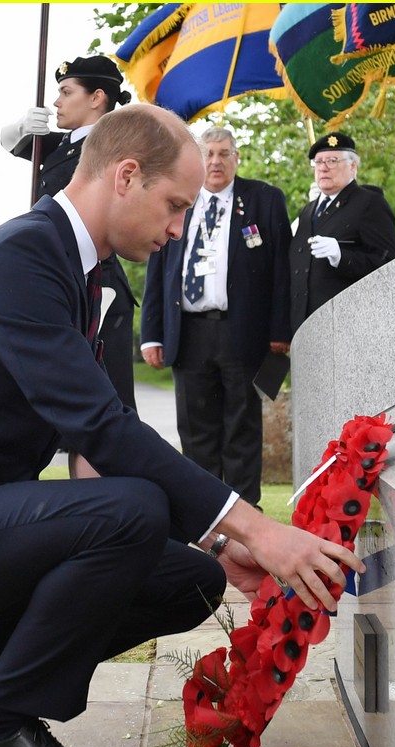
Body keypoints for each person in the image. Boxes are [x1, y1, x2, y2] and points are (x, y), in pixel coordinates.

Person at [0, 104, 365, 747]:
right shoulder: (20, 260)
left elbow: (99, 435)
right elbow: (104, 428)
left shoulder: (74, 265)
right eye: (174, 205)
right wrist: (258, 529)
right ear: (126, 176)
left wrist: (217, 539)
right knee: (132, 511)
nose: (178, 229)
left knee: (189, 578)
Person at [140, 127, 291, 508]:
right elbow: (158, 268)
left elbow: (281, 270)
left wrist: (280, 330)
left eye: (224, 153)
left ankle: (246, 515)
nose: (216, 161)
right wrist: (152, 334)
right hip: (188, 331)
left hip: (242, 332)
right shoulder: (177, 199)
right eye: (208, 153)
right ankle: (203, 512)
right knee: (195, 429)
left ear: (236, 158)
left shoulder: (264, 200)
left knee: (242, 427)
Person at [0, 56, 138, 408]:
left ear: (96, 98)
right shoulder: (63, 145)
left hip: (98, 283)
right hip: (61, 277)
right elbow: (7, 142)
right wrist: (22, 126)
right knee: (68, 398)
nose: (56, 102)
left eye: (66, 92)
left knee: (107, 399)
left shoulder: (116, 149)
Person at [290, 131, 395, 335]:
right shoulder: (308, 210)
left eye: (332, 161)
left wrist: (342, 257)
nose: (323, 167)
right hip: (306, 326)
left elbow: (389, 264)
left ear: (352, 166)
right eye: (318, 162)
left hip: (347, 325)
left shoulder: (369, 203)